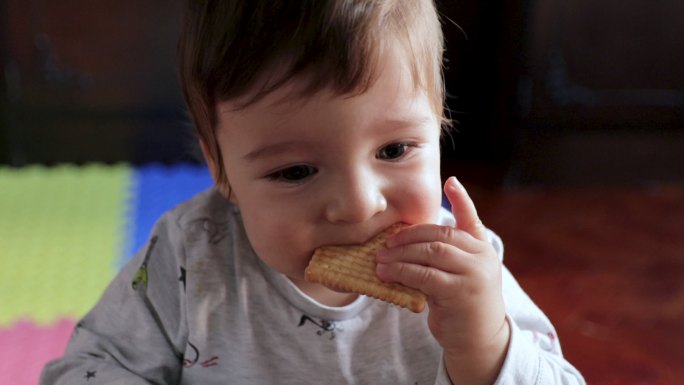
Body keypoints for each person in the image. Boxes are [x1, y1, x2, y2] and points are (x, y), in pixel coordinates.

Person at [41, 1, 585, 384]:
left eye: (395, 150)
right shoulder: (190, 256)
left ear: (438, 125)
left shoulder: (464, 276)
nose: (358, 204)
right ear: (221, 167)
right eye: (295, 172)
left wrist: (484, 347)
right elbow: (89, 367)